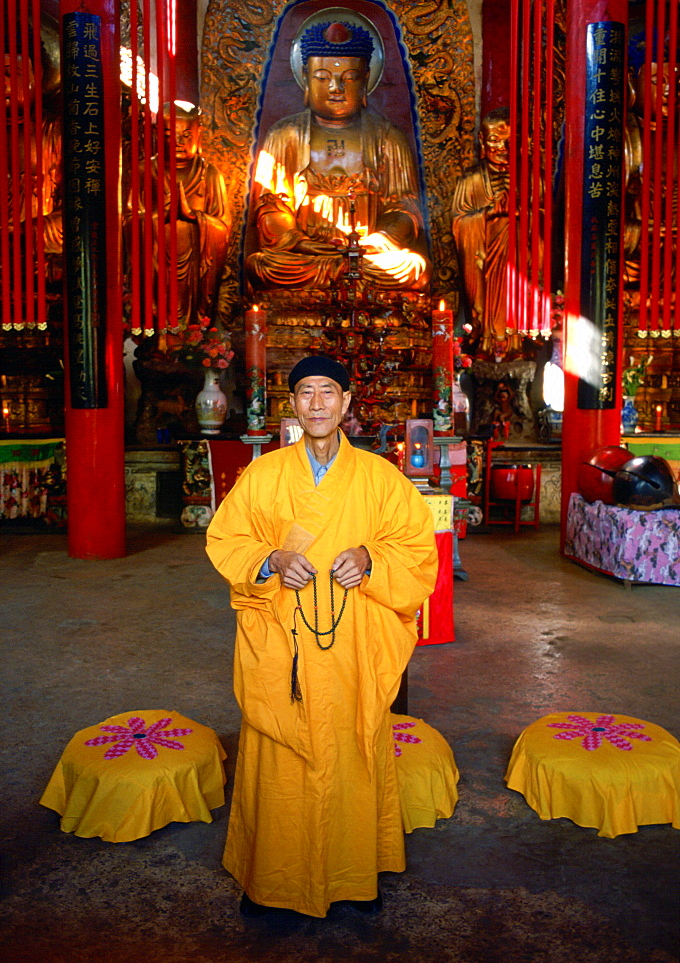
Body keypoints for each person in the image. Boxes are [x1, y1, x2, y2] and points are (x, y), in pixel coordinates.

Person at [206, 355, 438, 918]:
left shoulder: (381, 477)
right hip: (281, 639)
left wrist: (370, 559)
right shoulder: (263, 475)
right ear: (291, 406)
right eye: (305, 393)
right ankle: (270, 879)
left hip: (352, 641)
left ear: (347, 404)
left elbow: (416, 549)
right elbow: (225, 538)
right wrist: (270, 560)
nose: (316, 404)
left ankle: (355, 875)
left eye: (327, 393)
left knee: (351, 747)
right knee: (280, 754)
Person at [245, 18, 431, 292]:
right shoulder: (284, 135)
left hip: (368, 257)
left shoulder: (388, 137)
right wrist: (298, 241)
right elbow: (271, 206)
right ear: (306, 79)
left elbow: (405, 208)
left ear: (366, 79)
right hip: (306, 256)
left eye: (349, 78)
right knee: (261, 265)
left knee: (414, 267)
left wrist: (376, 242)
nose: (335, 88)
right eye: (322, 77)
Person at [128, 104, 231, 325]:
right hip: (158, 266)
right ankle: (157, 333)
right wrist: (160, 216)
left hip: (196, 270)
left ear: (199, 135)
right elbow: (128, 221)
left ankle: (197, 332)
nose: (178, 142)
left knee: (195, 322)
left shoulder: (210, 175)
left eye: (186, 135)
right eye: (169, 134)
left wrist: (194, 217)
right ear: (156, 134)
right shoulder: (145, 171)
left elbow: (223, 227)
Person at [451, 107, 519, 356]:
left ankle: (516, 337)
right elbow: (459, 223)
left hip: (517, 262)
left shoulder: (532, 178)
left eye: (510, 141)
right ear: (482, 140)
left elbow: (546, 225)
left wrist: (520, 214)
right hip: (482, 264)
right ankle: (483, 332)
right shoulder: (471, 180)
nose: (502, 147)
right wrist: (488, 215)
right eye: (494, 140)